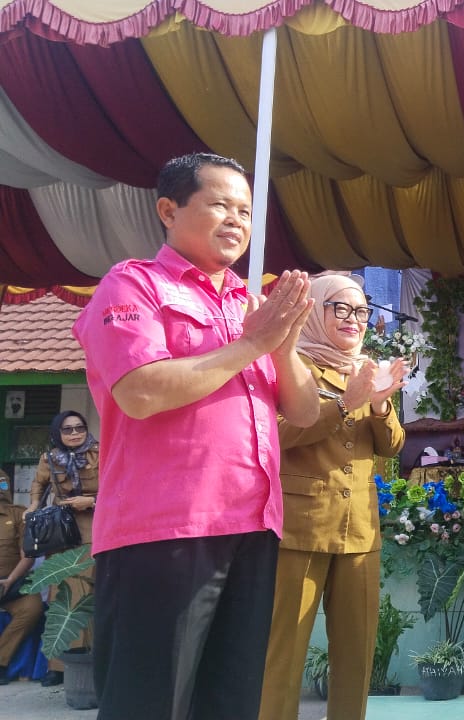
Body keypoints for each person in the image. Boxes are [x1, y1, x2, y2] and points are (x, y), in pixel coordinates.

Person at [72, 152, 320, 720]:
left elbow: (303, 411)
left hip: (253, 525)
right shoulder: (133, 284)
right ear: (168, 209)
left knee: (230, 701)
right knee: (151, 701)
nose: (236, 221)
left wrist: (280, 344)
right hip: (166, 528)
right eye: (219, 205)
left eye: (246, 211)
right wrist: (249, 346)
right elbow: (140, 391)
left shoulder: (251, 306)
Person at [258, 275, 407, 720]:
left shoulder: (364, 366)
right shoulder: (289, 361)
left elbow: (393, 445)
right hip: (300, 528)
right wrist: (345, 403)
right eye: (339, 308)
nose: (353, 320)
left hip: (360, 528)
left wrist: (379, 405)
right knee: (283, 651)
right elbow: (277, 432)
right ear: (313, 310)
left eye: (361, 311)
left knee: (357, 656)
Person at [24, 411, 99, 687]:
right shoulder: (49, 458)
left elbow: (119, 487)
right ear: (58, 433)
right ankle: (58, 666)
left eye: (80, 428)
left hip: (94, 527)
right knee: (61, 598)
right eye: (67, 430)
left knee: (85, 592)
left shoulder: (99, 453)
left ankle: (88, 658)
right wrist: (33, 505)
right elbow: (38, 484)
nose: (74, 433)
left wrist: (89, 502)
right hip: (60, 532)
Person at [0, 469, 40, 685]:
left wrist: (10, 581)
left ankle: (1, 661)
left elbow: (28, 557)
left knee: (32, 607)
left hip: (11, 585)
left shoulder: (19, 515)